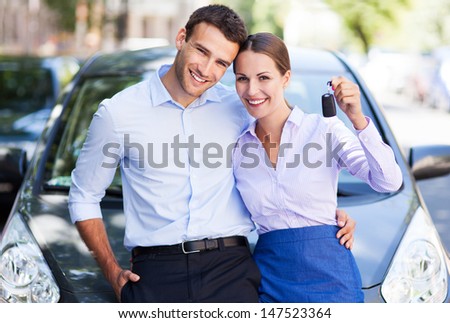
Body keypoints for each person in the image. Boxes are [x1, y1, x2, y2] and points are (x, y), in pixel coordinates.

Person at [68, 5, 355, 303]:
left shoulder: (241, 108)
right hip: (155, 274)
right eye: (202, 51)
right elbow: (83, 195)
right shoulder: (118, 113)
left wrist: (326, 216)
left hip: (232, 271)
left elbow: (296, 154)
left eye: (221, 62)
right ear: (182, 38)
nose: (206, 70)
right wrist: (111, 272)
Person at [232, 32, 403, 303]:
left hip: (331, 276)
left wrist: (357, 118)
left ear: (285, 78)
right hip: (270, 278)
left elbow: (388, 182)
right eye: (242, 78)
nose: (252, 90)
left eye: (264, 77)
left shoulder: (325, 130)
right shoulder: (237, 146)